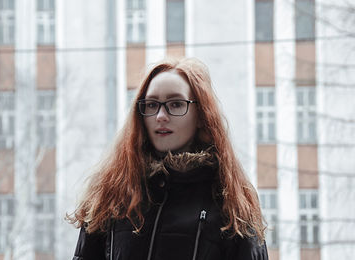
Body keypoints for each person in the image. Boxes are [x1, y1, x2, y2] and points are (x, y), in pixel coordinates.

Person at [68, 58, 268, 260]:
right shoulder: (112, 192)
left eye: (176, 104)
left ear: (200, 115)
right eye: (152, 104)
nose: (161, 116)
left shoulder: (231, 200)